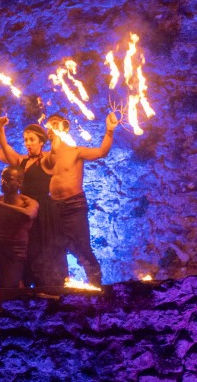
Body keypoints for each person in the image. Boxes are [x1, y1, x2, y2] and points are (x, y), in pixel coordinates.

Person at [0, 116, 68, 287]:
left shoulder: (47, 160)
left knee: (43, 248)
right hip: (24, 208)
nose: (28, 143)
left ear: (41, 142)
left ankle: (50, 285)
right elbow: (4, 148)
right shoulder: (22, 161)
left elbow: (55, 150)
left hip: (43, 211)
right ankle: (25, 283)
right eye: (25, 140)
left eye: (32, 139)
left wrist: (56, 134)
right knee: (26, 249)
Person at [43, 112, 119, 287]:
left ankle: (96, 284)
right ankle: (60, 286)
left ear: (65, 127)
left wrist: (109, 131)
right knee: (56, 248)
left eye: (55, 124)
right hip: (53, 208)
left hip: (74, 205)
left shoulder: (75, 151)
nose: (51, 129)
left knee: (82, 246)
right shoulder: (46, 158)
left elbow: (101, 152)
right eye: (49, 125)